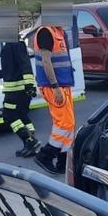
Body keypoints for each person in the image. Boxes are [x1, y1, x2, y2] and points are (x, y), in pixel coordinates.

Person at [32, 20, 76, 175]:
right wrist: (55, 86)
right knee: (64, 123)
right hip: (54, 86)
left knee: (69, 124)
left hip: (63, 85)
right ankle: (46, 155)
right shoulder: (46, 32)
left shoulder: (58, 31)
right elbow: (46, 60)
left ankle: (63, 162)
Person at [0, 40, 39, 157]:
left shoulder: (15, 44)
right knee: (21, 115)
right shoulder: (11, 44)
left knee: (9, 116)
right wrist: (1, 73)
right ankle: (30, 145)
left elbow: (25, 64)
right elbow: (15, 67)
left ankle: (30, 141)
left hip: (16, 90)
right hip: (18, 89)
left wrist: (29, 85)